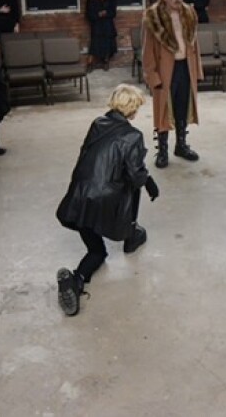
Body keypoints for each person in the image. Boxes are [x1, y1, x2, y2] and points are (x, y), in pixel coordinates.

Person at [55, 84, 160, 316]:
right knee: (133, 186)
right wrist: (150, 183)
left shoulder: (97, 124)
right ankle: (131, 233)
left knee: (97, 252)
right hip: (104, 204)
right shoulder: (133, 136)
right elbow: (136, 175)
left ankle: (76, 280)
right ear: (132, 108)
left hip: (79, 199)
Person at [142, 0, 204, 169]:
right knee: (163, 110)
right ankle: (162, 150)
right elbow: (147, 52)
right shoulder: (153, 17)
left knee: (182, 108)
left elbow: (195, 47)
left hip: (185, 67)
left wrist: (197, 71)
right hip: (164, 71)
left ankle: (181, 145)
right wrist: (153, 77)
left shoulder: (189, 13)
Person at [85, 0, 118, 70]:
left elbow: (113, 12)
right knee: (95, 44)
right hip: (97, 25)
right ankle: (90, 64)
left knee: (107, 43)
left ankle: (106, 62)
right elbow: (88, 14)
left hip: (107, 25)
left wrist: (106, 13)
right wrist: (98, 14)